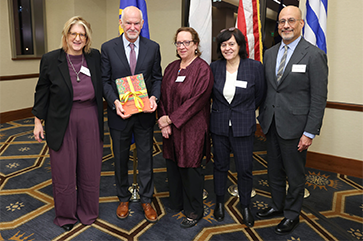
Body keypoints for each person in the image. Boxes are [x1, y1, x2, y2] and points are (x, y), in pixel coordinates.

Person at [257, 6, 328, 235]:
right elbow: (268, 90)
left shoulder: (314, 55)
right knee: (274, 171)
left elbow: (318, 97)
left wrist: (309, 132)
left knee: (295, 175)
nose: (285, 25)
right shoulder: (269, 53)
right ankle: (277, 205)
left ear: (301, 24)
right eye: (281, 21)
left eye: (290, 21)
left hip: (296, 128)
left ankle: (291, 214)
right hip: (271, 123)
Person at [32, 16, 104, 232]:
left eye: (82, 34)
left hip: (90, 117)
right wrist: (38, 121)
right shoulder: (51, 59)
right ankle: (65, 216)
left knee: (90, 169)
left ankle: (88, 212)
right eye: (73, 33)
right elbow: (42, 91)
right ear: (66, 36)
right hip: (61, 120)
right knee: (63, 171)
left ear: (87, 38)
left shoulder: (95, 58)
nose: (77, 38)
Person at [101, 6, 162, 223]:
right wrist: (115, 102)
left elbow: (157, 78)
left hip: (144, 115)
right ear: (121, 22)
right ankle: (123, 198)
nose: (133, 27)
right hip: (120, 115)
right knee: (119, 159)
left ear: (142, 24)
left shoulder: (153, 47)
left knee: (146, 159)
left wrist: (154, 98)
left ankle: (146, 199)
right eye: (128, 23)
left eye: (137, 23)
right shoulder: (108, 48)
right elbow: (104, 81)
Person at [157, 27, 213, 228]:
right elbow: (163, 95)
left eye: (186, 42)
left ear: (195, 45)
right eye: (178, 43)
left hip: (193, 129)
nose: (182, 46)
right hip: (171, 129)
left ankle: (194, 210)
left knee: (191, 169)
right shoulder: (171, 67)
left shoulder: (203, 69)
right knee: (173, 165)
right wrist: (163, 119)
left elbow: (197, 101)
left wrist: (170, 119)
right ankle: (177, 202)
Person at [210, 28, 266, 227]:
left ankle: (245, 205)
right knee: (219, 166)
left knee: (245, 168)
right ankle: (219, 202)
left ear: (240, 46)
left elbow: (259, 95)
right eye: (224, 44)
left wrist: (244, 111)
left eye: (231, 44)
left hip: (243, 126)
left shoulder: (254, 67)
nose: (227, 48)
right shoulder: (214, 67)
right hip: (219, 125)